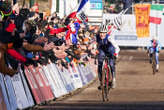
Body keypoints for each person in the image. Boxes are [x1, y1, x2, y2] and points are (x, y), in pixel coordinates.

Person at [96, 23, 120, 89]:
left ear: (106, 33)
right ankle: (101, 82)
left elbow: (117, 47)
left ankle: (113, 79)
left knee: (111, 64)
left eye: (103, 33)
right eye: (101, 33)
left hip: (110, 50)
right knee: (100, 64)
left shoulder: (109, 38)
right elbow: (95, 45)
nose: (102, 34)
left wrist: (116, 54)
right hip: (102, 50)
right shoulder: (97, 36)